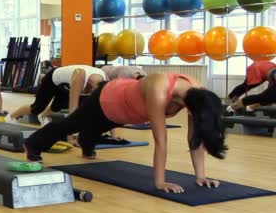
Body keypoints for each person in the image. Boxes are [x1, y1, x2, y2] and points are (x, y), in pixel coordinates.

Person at [24, 72, 227, 193]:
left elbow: (195, 138)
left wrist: (201, 176)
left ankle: (87, 140)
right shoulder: (159, 88)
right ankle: (33, 144)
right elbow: (161, 140)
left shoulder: (200, 97)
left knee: (97, 128)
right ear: (189, 107)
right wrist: (160, 182)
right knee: (70, 125)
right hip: (108, 98)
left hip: (126, 113)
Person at [6, 65, 106, 126]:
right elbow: (73, 109)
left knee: (59, 105)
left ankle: (43, 117)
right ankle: (11, 116)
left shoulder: (105, 78)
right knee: (37, 108)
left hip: (65, 82)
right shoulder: (79, 78)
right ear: (94, 88)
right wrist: (70, 136)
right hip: (52, 78)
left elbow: (105, 108)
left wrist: (113, 135)